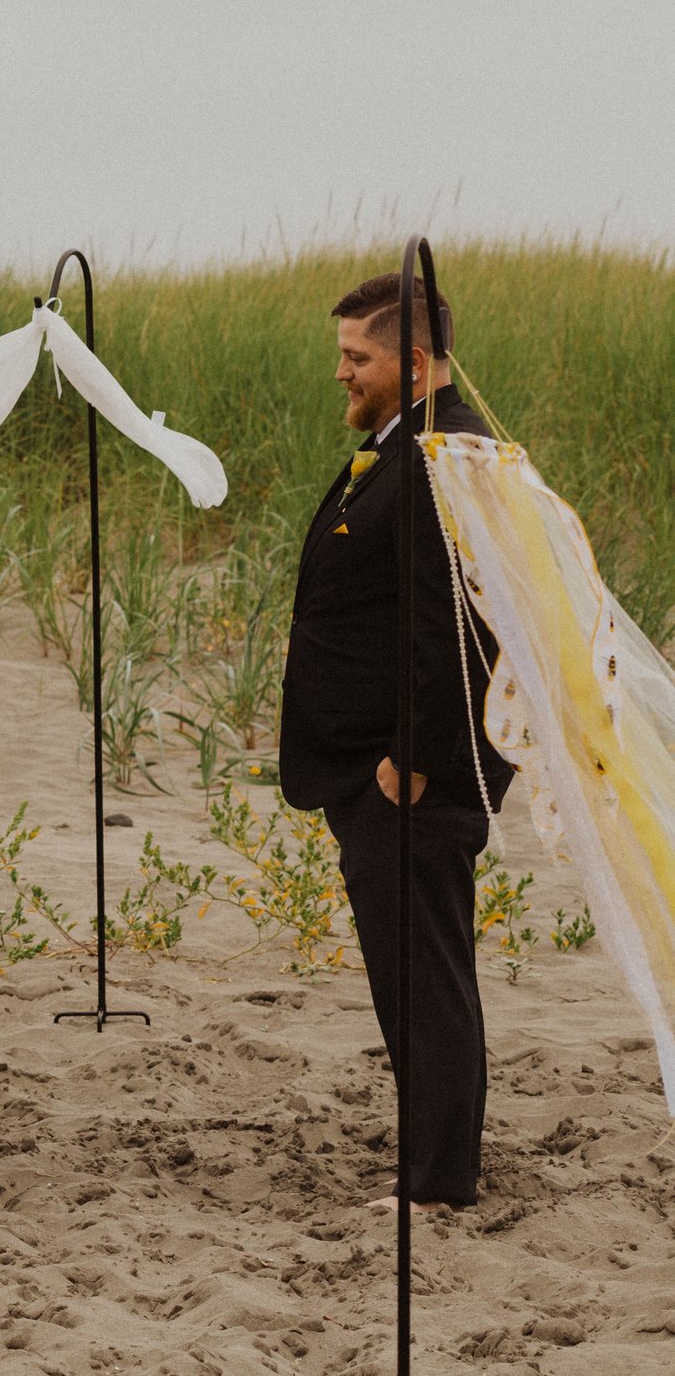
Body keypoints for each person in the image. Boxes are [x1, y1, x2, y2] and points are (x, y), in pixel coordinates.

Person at [280, 271, 511, 1210]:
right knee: (411, 978)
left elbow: (454, 627)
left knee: (426, 983)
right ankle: (435, 1162)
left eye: (356, 357)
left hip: (411, 775)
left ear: (412, 364)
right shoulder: (402, 444)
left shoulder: (438, 457)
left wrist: (408, 762)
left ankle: (436, 1183)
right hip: (373, 769)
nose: (341, 373)